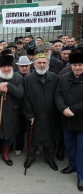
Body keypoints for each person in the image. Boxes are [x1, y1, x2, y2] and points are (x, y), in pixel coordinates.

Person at [23, 53, 60, 172]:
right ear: (34, 64)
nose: (42, 65)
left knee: (50, 138)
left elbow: (58, 95)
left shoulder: (54, 77)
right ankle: (30, 157)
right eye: (39, 63)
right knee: (32, 137)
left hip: (50, 115)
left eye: (44, 63)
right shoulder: (28, 79)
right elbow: (25, 99)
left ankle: (49, 158)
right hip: (35, 115)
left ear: (48, 64)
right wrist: (29, 114)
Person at [55, 49, 83, 191]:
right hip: (66, 120)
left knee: (81, 149)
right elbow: (58, 94)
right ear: (70, 65)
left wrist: (73, 109)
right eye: (74, 65)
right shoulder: (64, 77)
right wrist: (63, 109)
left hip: (81, 121)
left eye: (80, 65)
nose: (77, 67)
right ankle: (72, 166)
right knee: (70, 146)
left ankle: (81, 176)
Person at [14, 56, 32, 156]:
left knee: (32, 129)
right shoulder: (15, 76)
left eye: (26, 66)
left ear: (30, 66)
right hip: (19, 107)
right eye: (22, 66)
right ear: (19, 67)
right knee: (20, 129)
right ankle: (19, 147)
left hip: (32, 108)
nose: (24, 68)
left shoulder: (34, 75)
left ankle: (33, 147)